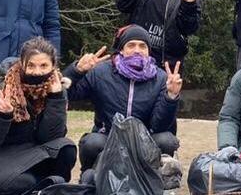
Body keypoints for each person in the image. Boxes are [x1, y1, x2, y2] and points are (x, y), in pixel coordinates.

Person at [64, 25, 181, 179]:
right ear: (121, 50)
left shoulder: (160, 78)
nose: (137, 50)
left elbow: (159, 125)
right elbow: (68, 93)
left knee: (167, 140)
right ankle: (89, 179)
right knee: (90, 143)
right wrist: (76, 71)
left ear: (148, 51)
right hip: (108, 136)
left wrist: (171, 96)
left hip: (144, 140)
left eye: (142, 46)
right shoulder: (101, 72)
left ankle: (158, 182)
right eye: (131, 45)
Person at [0, 37, 75, 195]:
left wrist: (55, 99)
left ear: (53, 66)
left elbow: (51, 138)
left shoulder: (57, 89)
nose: (37, 72)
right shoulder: (3, 88)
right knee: (25, 182)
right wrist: (2, 116)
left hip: (30, 153)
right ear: (22, 64)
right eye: (31, 66)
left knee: (65, 148)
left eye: (43, 66)